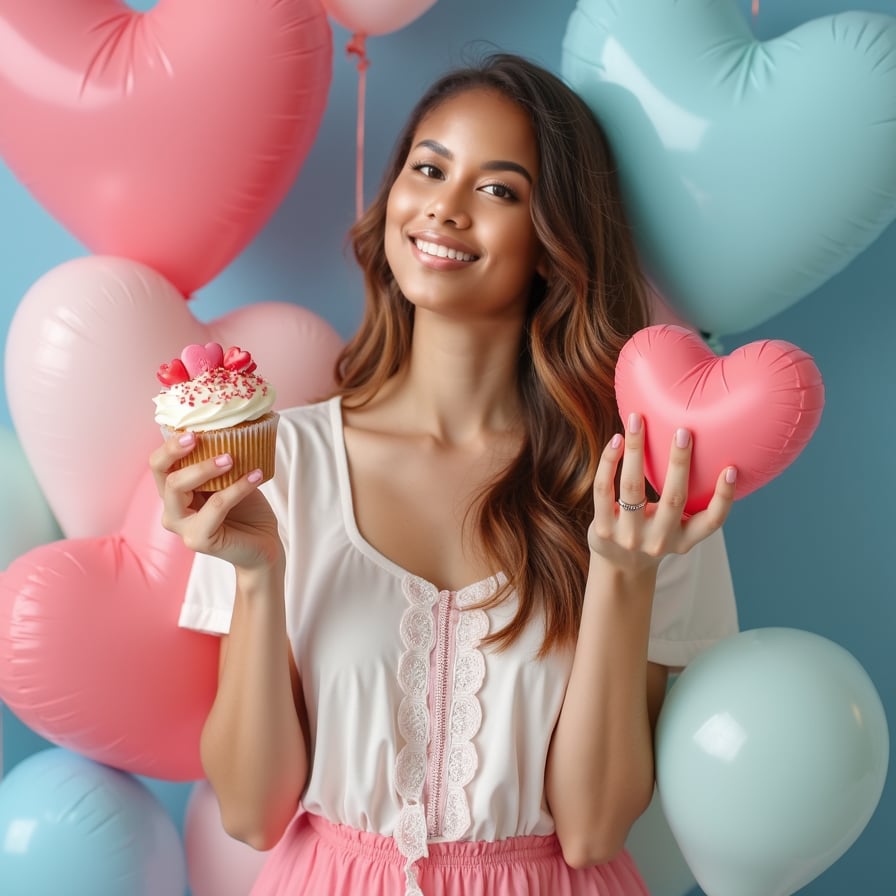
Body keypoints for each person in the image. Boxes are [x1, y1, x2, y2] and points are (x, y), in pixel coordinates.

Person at [150, 52, 738, 896]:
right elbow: (251, 813)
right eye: (428, 169)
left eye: (498, 190)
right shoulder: (279, 463)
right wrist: (256, 574)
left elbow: (594, 829)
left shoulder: (632, 492)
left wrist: (623, 574)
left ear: (554, 243)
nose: (445, 207)